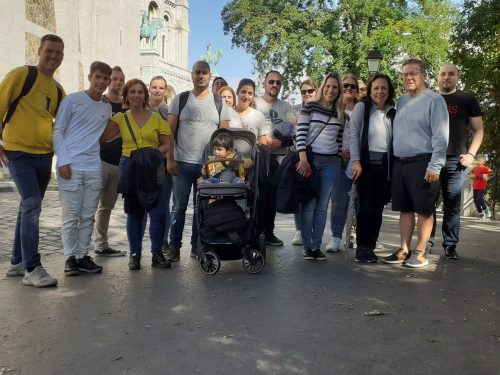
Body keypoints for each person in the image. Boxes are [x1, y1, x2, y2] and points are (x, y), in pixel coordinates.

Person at [0, 34, 65, 287]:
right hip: (18, 152)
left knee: (26, 208)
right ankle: (32, 267)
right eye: (49, 51)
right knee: (32, 204)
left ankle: (17, 262)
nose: (54, 56)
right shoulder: (21, 75)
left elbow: (61, 125)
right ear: (39, 50)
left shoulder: (58, 90)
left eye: (59, 52)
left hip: (44, 156)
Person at [382, 59, 449, 268]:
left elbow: (441, 135)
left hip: (424, 161)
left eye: (413, 73)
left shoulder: (434, 100)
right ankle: (404, 249)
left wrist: (435, 165)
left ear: (424, 76)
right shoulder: (401, 101)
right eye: (405, 74)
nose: (408, 78)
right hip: (400, 163)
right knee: (405, 209)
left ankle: (420, 251)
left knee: (424, 209)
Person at [100, 79, 173, 270]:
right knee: (134, 212)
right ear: (126, 95)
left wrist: (154, 154)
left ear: (145, 96)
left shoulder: (156, 118)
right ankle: (135, 254)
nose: (136, 95)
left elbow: (166, 143)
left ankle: (156, 254)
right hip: (130, 165)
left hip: (152, 165)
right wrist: (105, 114)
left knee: (157, 212)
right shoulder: (120, 119)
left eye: (140, 92)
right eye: (132, 92)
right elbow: (104, 138)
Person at [165, 61, 230, 261]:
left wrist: (220, 164)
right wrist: (170, 159)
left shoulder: (219, 103)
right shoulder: (180, 99)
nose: (200, 76)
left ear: (210, 76)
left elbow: (224, 136)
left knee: (202, 209)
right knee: (179, 207)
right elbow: (169, 132)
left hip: (208, 167)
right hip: (182, 162)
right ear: (192, 75)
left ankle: (197, 246)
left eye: (204, 73)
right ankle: (174, 247)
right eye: (197, 72)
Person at [53, 61, 113, 276]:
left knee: (88, 216)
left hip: (93, 166)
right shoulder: (72, 100)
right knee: (71, 216)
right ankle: (70, 258)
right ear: (90, 77)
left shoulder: (106, 106)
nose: (101, 82)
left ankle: (82, 255)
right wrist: (64, 161)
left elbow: (105, 132)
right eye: (98, 77)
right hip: (71, 166)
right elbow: (58, 131)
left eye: (105, 78)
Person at [428, 63, 484, 259]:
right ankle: (426, 243)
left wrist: (471, 155)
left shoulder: (466, 99)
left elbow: (478, 129)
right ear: (438, 77)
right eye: (442, 73)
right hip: (431, 159)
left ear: (457, 77)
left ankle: (450, 245)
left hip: (457, 161)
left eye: (451, 74)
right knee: (428, 202)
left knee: (452, 205)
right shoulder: (429, 98)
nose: (446, 77)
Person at [295, 72, 345, 261]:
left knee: (323, 206)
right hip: (311, 161)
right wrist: (303, 158)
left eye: (335, 87)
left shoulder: (340, 113)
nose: (331, 90)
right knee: (309, 204)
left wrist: (339, 161)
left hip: (331, 163)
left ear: (338, 90)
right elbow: (301, 133)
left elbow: (339, 142)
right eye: (328, 86)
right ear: (323, 87)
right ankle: (307, 246)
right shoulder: (311, 107)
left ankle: (317, 245)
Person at [350, 74, 396, 263]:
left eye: (383, 88)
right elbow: (353, 134)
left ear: (389, 90)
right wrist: (355, 161)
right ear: (370, 90)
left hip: (385, 167)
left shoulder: (392, 111)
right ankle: (362, 247)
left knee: (377, 209)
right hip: (365, 165)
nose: (379, 92)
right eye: (376, 88)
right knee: (366, 207)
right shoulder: (362, 107)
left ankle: (371, 246)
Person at [254, 70, 294, 246]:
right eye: (271, 82)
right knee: (256, 195)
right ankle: (253, 231)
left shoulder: (286, 107)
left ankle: (268, 232)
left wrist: (281, 142)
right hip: (257, 155)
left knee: (270, 197)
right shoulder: (255, 103)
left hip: (277, 157)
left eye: (278, 82)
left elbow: (296, 131)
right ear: (264, 83)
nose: (274, 85)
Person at [93, 66, 127, 257]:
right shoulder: (100, 102)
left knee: (106, 206)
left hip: (118, 163)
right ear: (109, 81)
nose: (117, 82)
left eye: (121, 79)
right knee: (90, 206)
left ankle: (101, 244)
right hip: (99, 161)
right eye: (114, 79)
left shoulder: (126, 107)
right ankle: (80, 251)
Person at [325, 73, 359, 253]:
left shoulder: (362, 109)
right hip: (338, 160)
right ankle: (336, 237)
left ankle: (359, 237)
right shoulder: (334, 109)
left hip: (358, 160)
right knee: (338, 201)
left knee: (360, 201)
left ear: (357, 91)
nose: (348, 89)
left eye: (352, 86)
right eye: (345, 85)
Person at [148, 75, 174, 255]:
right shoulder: (141, 109)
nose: (157, 90)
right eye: (154, 87)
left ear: (165, 91)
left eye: (161, 88)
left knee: (164, 203)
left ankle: (163, 240)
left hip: (164, 161)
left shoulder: (170, 111)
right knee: (142, 203)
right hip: (145, 161)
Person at [290, 79, 317, 246]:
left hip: (317, 157)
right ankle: (299, 230)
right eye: (303, 91)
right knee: (299, 196)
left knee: (315, 196)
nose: (307, 94)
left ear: (315, 91)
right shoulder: (294, 111)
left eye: (310, 91)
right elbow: (290, 132)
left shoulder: (322, 109)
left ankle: (311, 230)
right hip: (299, 157)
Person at [230, 78, 268, 144]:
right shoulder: (226, 114)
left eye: (250, 93)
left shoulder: (259, 116)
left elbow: (263, 144)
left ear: (253, 95)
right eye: (243, 92)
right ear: (237, 92)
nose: (246, 96)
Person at [470, 155, 492, 219]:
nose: (477, 161)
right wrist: (471, 176)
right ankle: (481, 213)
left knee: (479, 198)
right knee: (475, 200)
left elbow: (487, 178)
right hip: (475, 186)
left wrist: (485, 177)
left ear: (483, 161)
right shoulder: (474, 168)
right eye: (477, 160)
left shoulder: (485, 168)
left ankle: (486, 210)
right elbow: (472, 177)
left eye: (479, 160)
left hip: (481, 186)